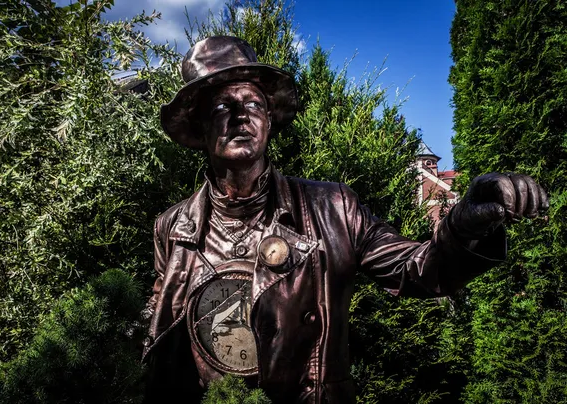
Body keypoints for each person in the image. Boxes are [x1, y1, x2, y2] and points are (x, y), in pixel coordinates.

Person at [141, 36, 548, 404]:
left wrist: (463, 225)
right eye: (220, 107)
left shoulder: (332, 207)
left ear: (269, 120)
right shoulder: (173, 227)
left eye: (252, 103)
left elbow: (419, 270)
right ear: (199, 127)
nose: (240, 116)